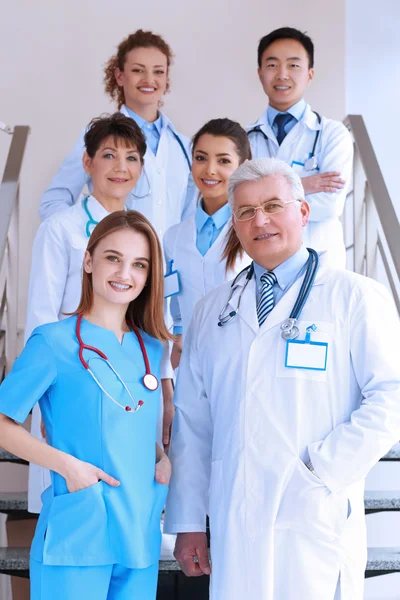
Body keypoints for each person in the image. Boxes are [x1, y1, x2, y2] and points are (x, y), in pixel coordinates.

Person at [164, 158, 400, 600]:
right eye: (246, 211)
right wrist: (189, 521)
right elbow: (193, 423)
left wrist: (319, 471)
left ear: (304, 212)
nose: (261, 220)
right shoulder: (212, 311)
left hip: (315, 512)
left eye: (273, 205)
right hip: (235, 515)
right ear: (234, 224)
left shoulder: (356, 297)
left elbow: (391, 398)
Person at [0, 210, 172, 600]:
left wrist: (161, 458)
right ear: (89, 260)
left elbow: (131, 422)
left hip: (138, 533)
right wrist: (68, 467)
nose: (124, 273)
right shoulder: (53, 343)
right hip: (79, 529)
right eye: (113, 257)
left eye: (139, 264)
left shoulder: (151, 347)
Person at [25, 112, 151, 514]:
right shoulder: (62, 227)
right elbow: (41, 315)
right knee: (71, 499)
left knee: (122, 497)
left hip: (125, 378)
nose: (121, 168)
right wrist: (46, 395)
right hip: (71, 378)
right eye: (109, 155)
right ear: (87, 163)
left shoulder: (146, 231)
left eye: (132, 158)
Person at [39, 29, 196, 240]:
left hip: (167, 269)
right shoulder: (99, 136)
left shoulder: (184, 146)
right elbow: (53, 201)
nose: (149, 79)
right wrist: (90, 241)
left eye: (158, 71)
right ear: (120, 76)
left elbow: (187, 218)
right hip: (117, 263)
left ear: (166, 78)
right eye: (138, 70)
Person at [247, 27, 353, 268]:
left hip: (319, 258)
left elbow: (329, 205)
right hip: (263, 261)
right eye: (272, 65)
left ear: (310, 74)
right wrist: (302, 185)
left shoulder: (332, 134)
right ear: (260, 73)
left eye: (293, 65)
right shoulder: (245, 139)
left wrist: (264, 201)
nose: (282, 74)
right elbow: (239, 204)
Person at [163, 118, 251, 368]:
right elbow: (174, 300)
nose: (210, 170)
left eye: (223, 161)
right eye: (201, 158)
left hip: (240, 362)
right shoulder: (174, 237)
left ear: (243, 166)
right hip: (189, 362)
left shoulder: (254, 232)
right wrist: (178, 336)